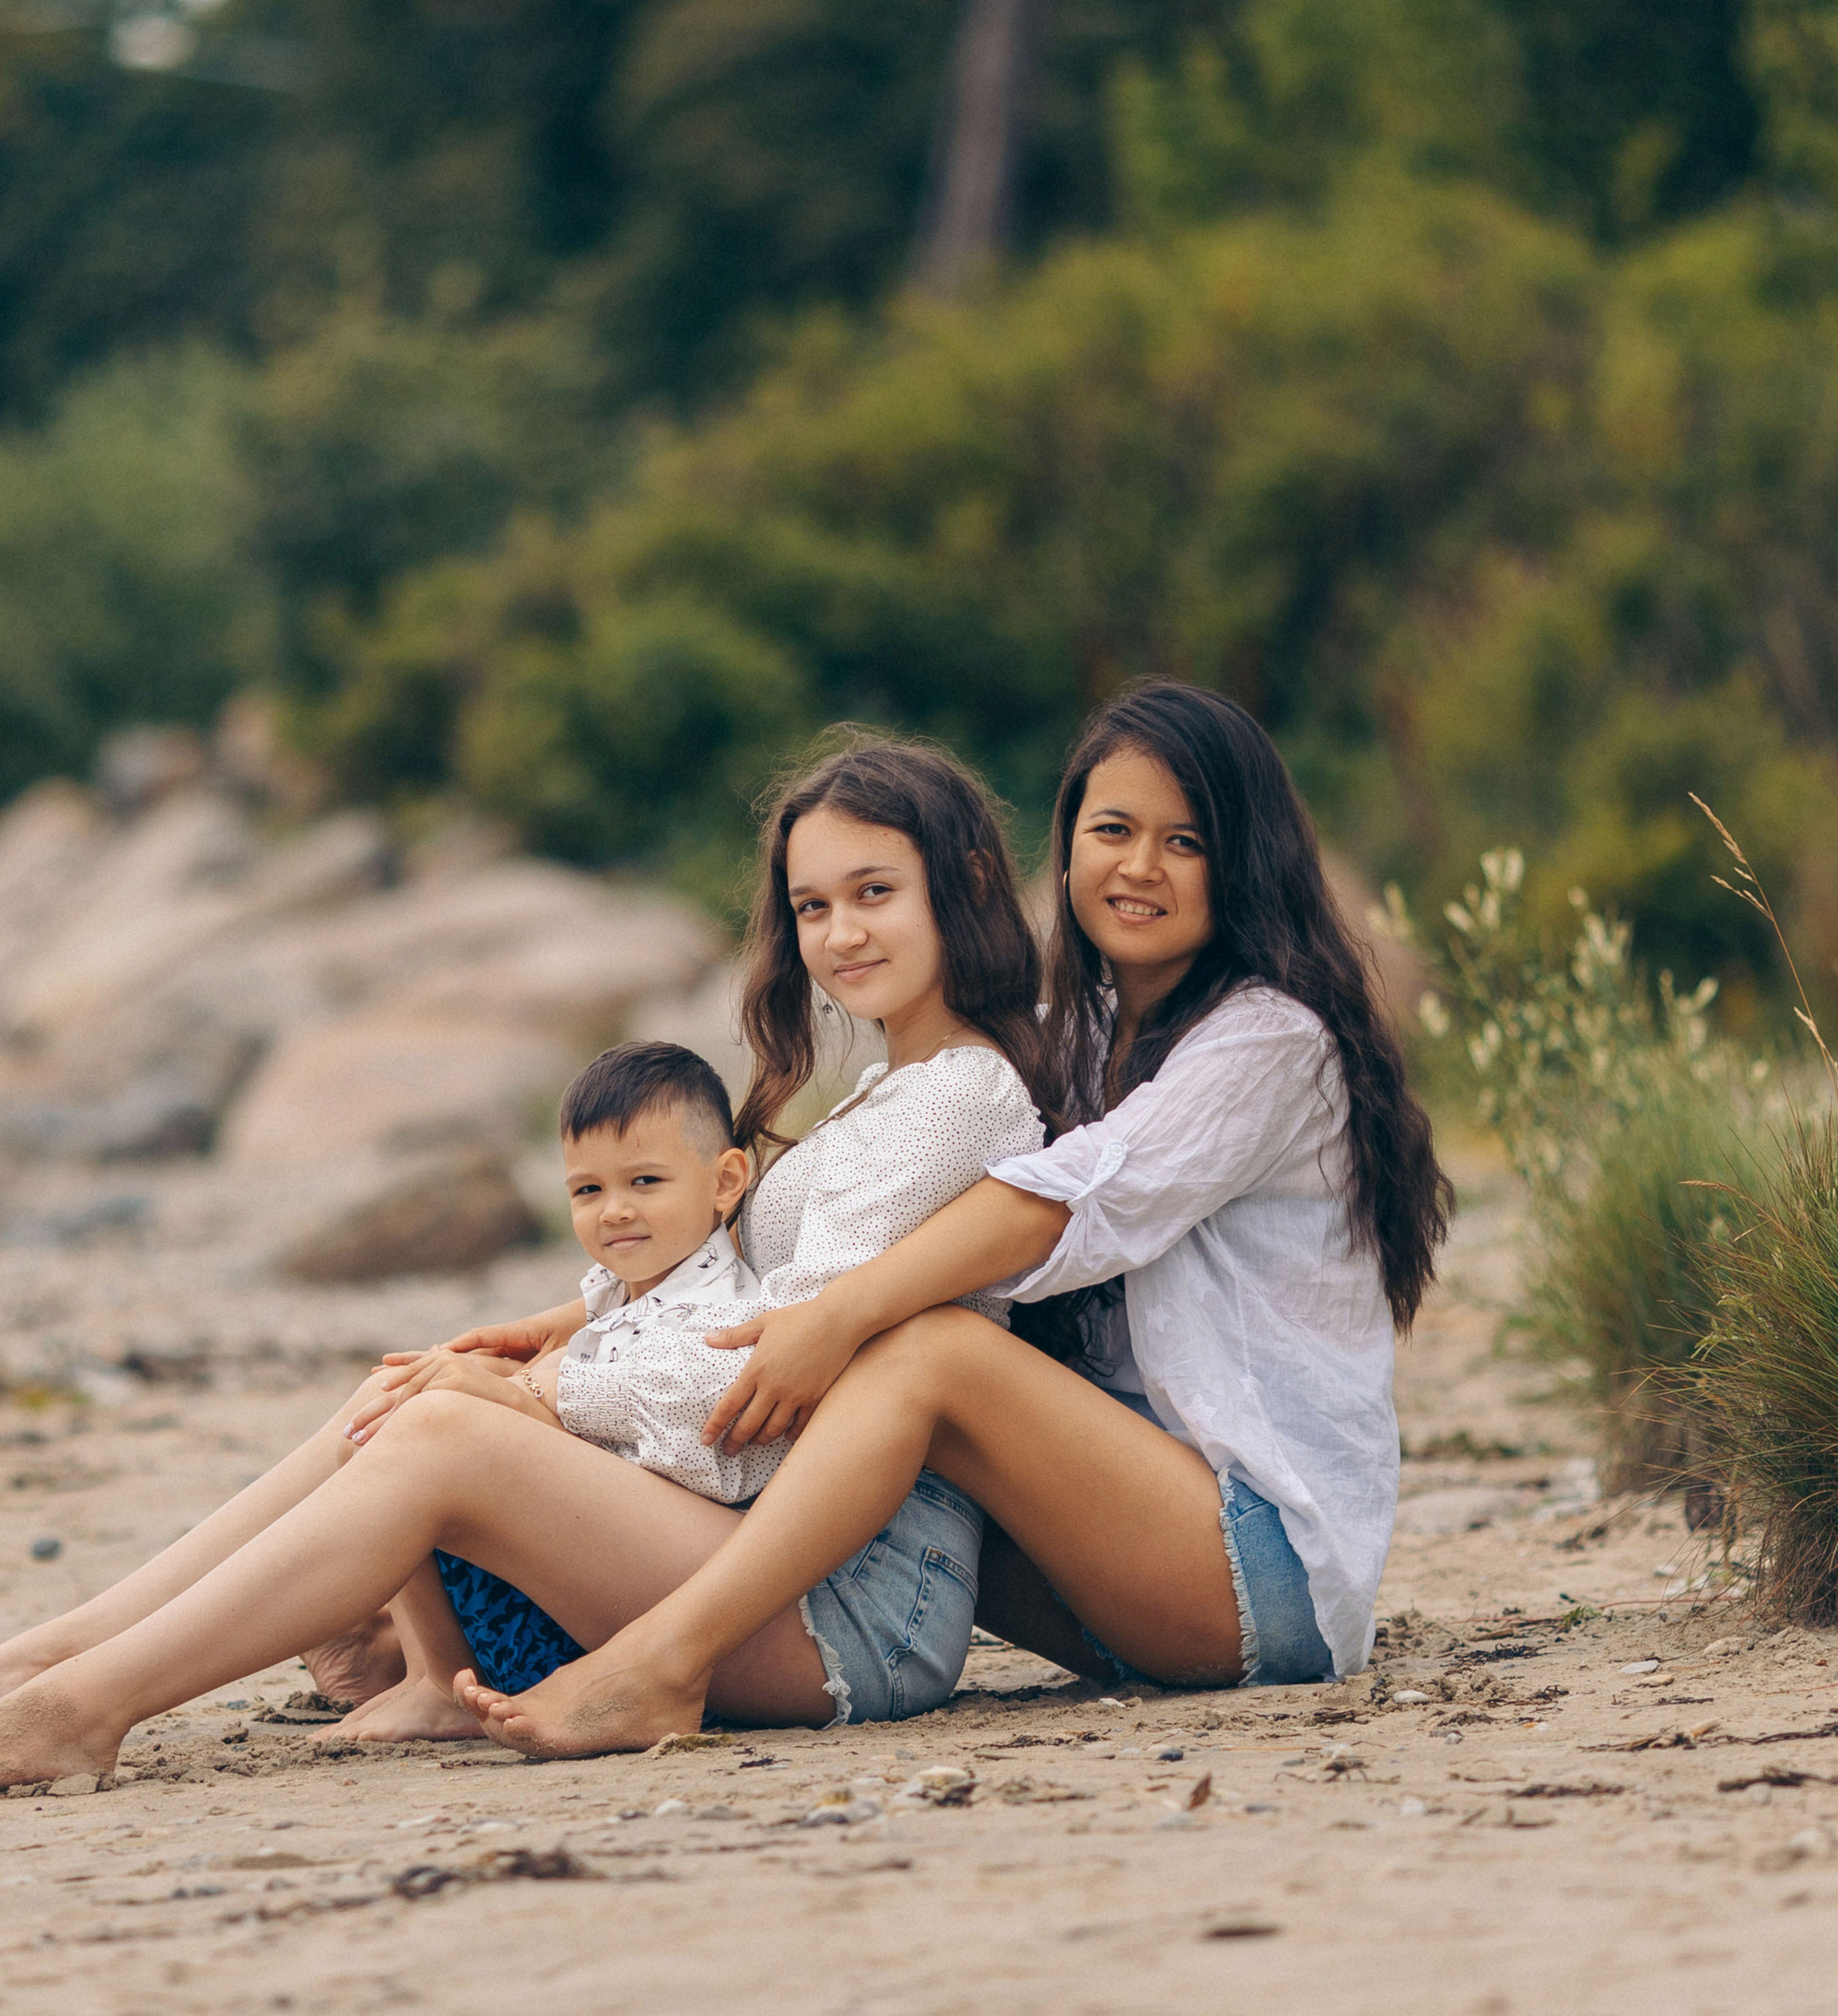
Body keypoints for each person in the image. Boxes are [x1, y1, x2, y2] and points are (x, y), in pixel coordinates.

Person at [0, 735, 1050, 1802]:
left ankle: (78, 1705)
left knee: (445, 1427)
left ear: (965, 883)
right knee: (412, 1388)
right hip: (776, 1557)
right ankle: (54, 1656)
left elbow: (767, 1391)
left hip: (855, 1607)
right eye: (812, 905)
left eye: (874, 893)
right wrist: (532, 1344)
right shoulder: (889, 1090)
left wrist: (535, 1395)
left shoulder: (957, 1098)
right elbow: (725, 1293)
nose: (839, 934)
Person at [456, 678, 1455, 1760]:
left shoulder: (1268, 1040)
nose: (1138, 866)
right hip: (1100, 1556)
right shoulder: (1074, 1033)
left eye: (1185, 841)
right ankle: (493, 1628)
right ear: (1063, 849)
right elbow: (836, 1237)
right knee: (853, 1382)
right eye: (1112, 830)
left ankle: (665, 1660)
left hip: (1260, 1569)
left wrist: (838, 1316)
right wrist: (571, 1325)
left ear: (1245, 861)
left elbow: (1052, 1207)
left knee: (927, 1344)